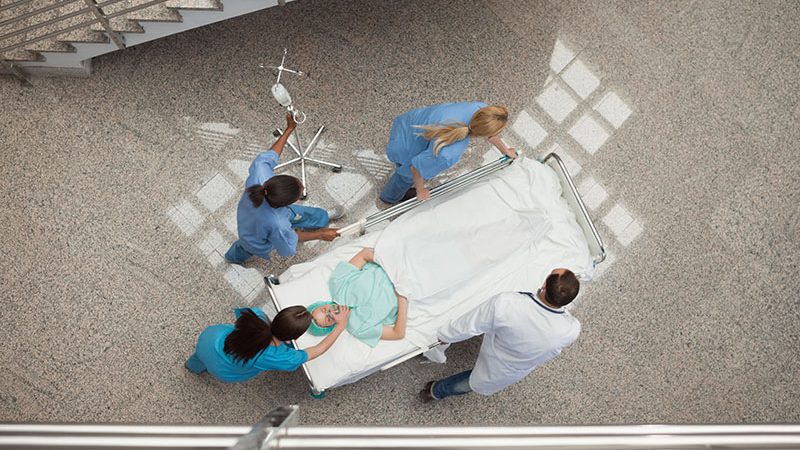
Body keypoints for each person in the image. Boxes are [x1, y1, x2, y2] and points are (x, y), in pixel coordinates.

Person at [419, 268, 581, 402]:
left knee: (468, 382)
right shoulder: (571, 329)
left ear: (544, 285)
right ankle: (435, 392)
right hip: (514, 366)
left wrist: (445, 336)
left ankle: (436, 391)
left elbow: (470, 324)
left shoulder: (508, 304)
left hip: (500, 357)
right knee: (472, 383)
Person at [225, 113, 344, 265]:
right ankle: (233, 259)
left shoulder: (261, 177)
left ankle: (322, 218)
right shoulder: (278, 225)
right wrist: (320, 235)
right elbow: (289, 243)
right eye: (300, 193)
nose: (303, 188)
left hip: (247, 221)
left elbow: (269, 156)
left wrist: (289, 129)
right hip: (254, 239)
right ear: (285, 204)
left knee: (300, 214)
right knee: (246, 247)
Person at [380, 102, 517, 204]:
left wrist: (504, 149)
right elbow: (415, 168)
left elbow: (486, 130)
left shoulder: (479, 108)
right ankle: (389, 198)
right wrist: (420, 190)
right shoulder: (449, 152)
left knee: (407, 163)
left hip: (408, 125)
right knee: (404, 177)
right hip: (406, 148)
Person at [185, 305, 350, 383]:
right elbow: (318, 349)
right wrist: (341, 326)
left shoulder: (256, 315)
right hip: (224, 371)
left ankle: (192, 366)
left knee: (202, 356)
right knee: (229, 367)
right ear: (297, 336)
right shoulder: (284, 357)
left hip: (208, 340)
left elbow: (240, 312)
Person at [306, 248, 408, 347]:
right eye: (329, 318)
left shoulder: (337, 283)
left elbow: (365, 254)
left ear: (322, 304)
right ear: (331, 327)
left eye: (325, 309)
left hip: (396, 263)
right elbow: (397, 333)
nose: (333, 312)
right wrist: (402, 295)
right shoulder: (359, 329)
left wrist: (392, 267)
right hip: (410, 291)